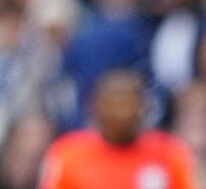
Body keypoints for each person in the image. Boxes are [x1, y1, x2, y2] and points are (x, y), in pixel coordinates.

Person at [38, 69, 195, 189]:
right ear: (95, 108)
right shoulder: (68, 154)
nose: (122, 113)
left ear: (144, 108)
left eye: (128, 104)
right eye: (113, 105)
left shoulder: (169, 152)